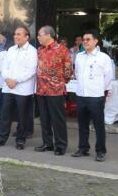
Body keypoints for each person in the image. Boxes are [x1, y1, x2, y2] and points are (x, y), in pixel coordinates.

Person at [72, 30, 113, 162]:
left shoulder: (103, 58)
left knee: (98, 125)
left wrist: (100, 90)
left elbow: (109, 77)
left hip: (95, 96)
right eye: (84, 39)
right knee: (82, 124)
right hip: (81, 94)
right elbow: (77, 73)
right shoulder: (79, 56)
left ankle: (100, 151)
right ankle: (83, 148)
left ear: (96, 41)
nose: (85, 41)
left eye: (88, 39)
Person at [0, 27, 38, 150]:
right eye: (15, 34)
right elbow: (3, 67)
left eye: (19, 34)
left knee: (23, 116)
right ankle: (1, 138)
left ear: (27, 37)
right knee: (5, 114)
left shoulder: (32, 51)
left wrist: (16, 80)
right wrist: (7, 79)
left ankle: (21, 140)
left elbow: (31, 70)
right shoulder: (11, 49)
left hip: (23, 89)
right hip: (8, 88)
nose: (16, 36)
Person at [35, 26, 73, 155]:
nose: (38, 37)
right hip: (41, 90)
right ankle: (47, 143)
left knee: (58, 119)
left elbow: (68, 71)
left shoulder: (62, 50)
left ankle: (61, 145)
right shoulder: (40, 50)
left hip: (55, 90)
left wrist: (59, 82)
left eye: (40, 35)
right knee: (44, 118)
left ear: (48, 35)